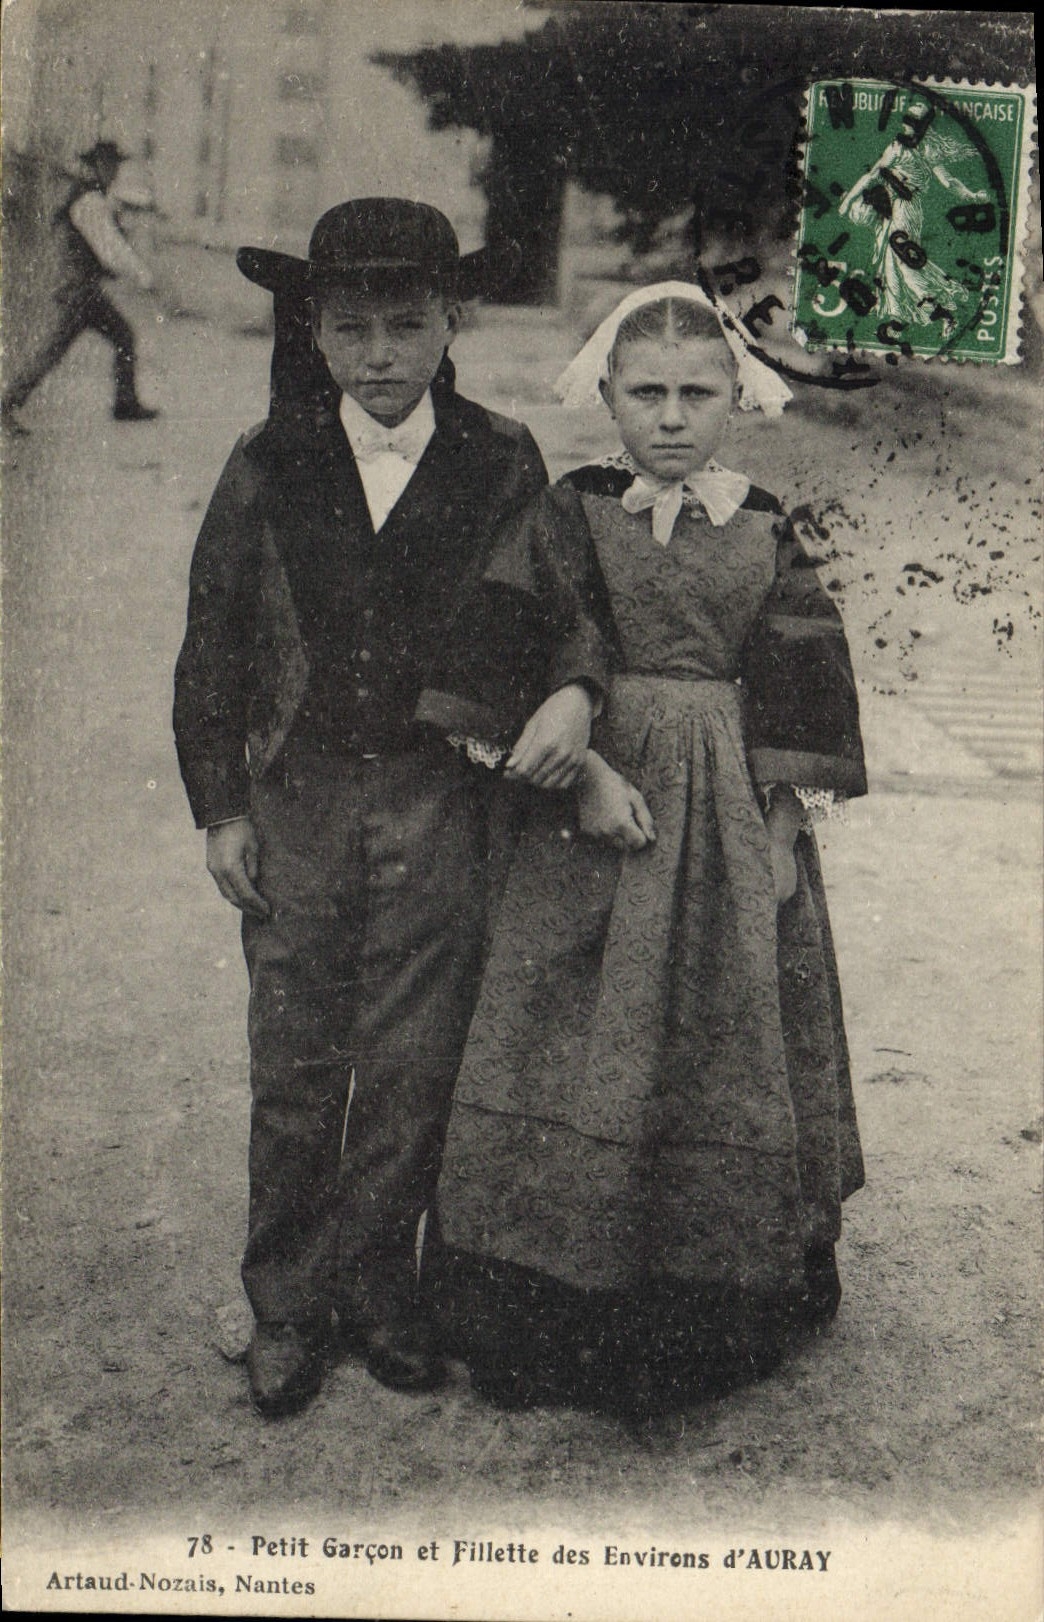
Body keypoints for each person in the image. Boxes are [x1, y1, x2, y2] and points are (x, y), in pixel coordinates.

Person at [172, 198, 608, 1418]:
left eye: (406, 325)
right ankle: (286, 1302)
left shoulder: (501, 455)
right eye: (350, 328)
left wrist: (573, 688)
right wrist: (222, 808)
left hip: (439, 797)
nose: (378, 355)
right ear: (310, 333)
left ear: (451, 320)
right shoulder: (266, 463)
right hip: (299, 794)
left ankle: (378, 1288)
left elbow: (563, 604)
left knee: (418, 1056)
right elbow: (210, 649)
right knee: (297, 1055)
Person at [432, 280, 868, 1415]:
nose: (671, 417)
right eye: (647, 393)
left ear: (737, 395)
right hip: (596, 804)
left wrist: (779, 831)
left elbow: (801, 680)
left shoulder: (768, 522)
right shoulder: (573, 511)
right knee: (574, 1022)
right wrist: (578, 772)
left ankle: (705, 1292)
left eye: (696, 392)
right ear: (608, 397)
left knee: (720, 1026)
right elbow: (520, 638)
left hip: (726, 813)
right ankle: (549, 1293)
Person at [2, 140, 160, 432]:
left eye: (115, 166)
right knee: (55, 352)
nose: (113, 172)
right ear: (98, 166)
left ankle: (125, 404)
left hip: (81, 290)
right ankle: (6, 404)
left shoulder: (92, 198)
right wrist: (143, 276)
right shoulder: (90, 202)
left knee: (122, 337)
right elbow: (110, 251)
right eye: (109, 165)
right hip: (78, 292)